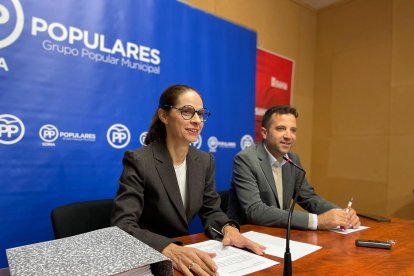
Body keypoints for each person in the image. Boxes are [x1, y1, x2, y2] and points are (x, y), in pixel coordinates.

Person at [111, 84, 265, 276]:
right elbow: (123, 225)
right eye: (187, 112)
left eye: (200, 114)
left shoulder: (204, 160)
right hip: (149, 260)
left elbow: (211, 210)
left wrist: (229, 229)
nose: (197, 121)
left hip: (184, 258)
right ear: (164, 116)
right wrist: (167, 248)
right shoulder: (139, 160)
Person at [227, 105, 361, 230]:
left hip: (280, 234)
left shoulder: (292, 158)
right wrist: (317, 221)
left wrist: (341, 214)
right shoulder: (246, 159)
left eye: (293, 130)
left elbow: (309, 198)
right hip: (249, 234)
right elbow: (255, 211)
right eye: (281, 129)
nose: (288, 136)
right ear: (264, 133)